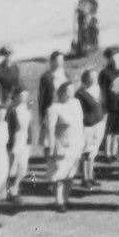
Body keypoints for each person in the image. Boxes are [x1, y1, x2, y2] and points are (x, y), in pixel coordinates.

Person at [45, 81, 82, 212]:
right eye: (67, 91)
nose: (70, 94)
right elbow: (50, 129)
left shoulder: (76, 104)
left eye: (72, 91)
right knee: (59, 174)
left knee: (70, 174)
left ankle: (66, 199)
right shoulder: (54, 108)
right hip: (61, 145)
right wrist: (51, 147)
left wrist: (81, 143)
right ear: (61, 92)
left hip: (75, 144)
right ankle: (59, 201)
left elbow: (79, 124)